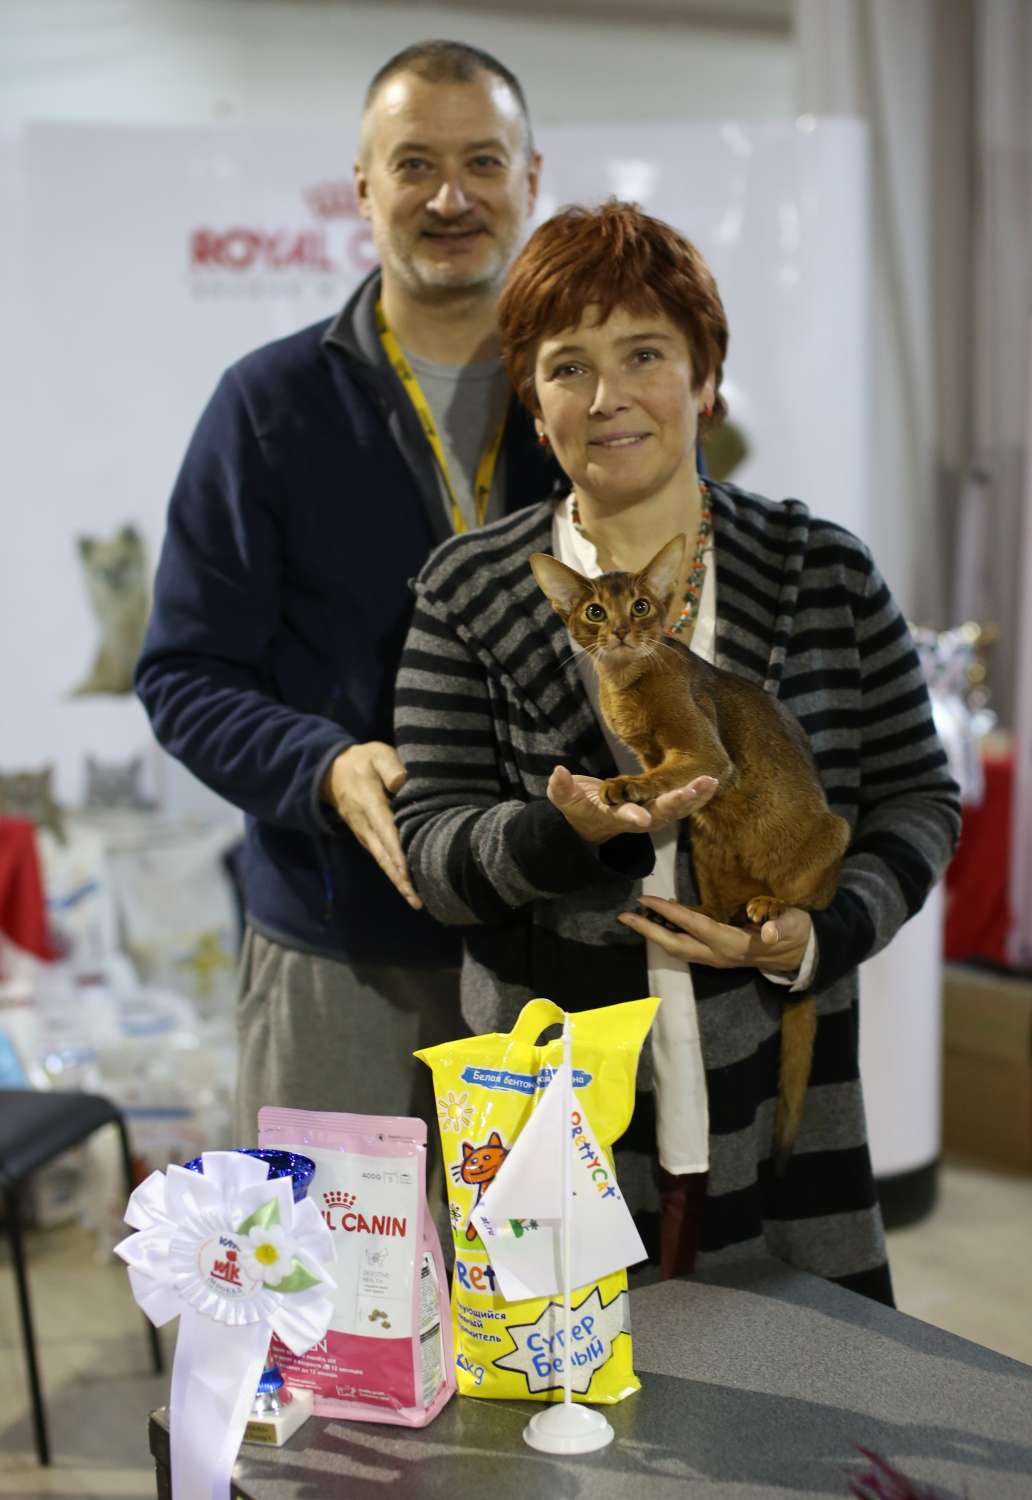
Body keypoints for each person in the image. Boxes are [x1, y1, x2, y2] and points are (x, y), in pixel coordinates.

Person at [392, 200, 960, 1303]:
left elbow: (919, 799)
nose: (608, 397)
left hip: (780, 1099)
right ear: (533, 403)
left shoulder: (824, 571)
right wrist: (557, 832)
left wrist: (820, 932)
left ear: (706, 377)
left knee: (801, 1390)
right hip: (550, 1106)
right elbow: (433, 853)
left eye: (645, 353)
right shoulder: (469, 590)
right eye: (568, 366)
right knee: (565, 1397)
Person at [136, 41, 560, 1145]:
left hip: (560, 948)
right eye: (415, 164)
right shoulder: (267, 407)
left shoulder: (598, 404)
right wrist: (321, 766)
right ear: (364, 188)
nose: (451, 197)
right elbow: (185, 674)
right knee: (322, 1264)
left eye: (482, 162)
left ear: (530, 179)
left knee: (539, 1263)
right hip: (340, 955)